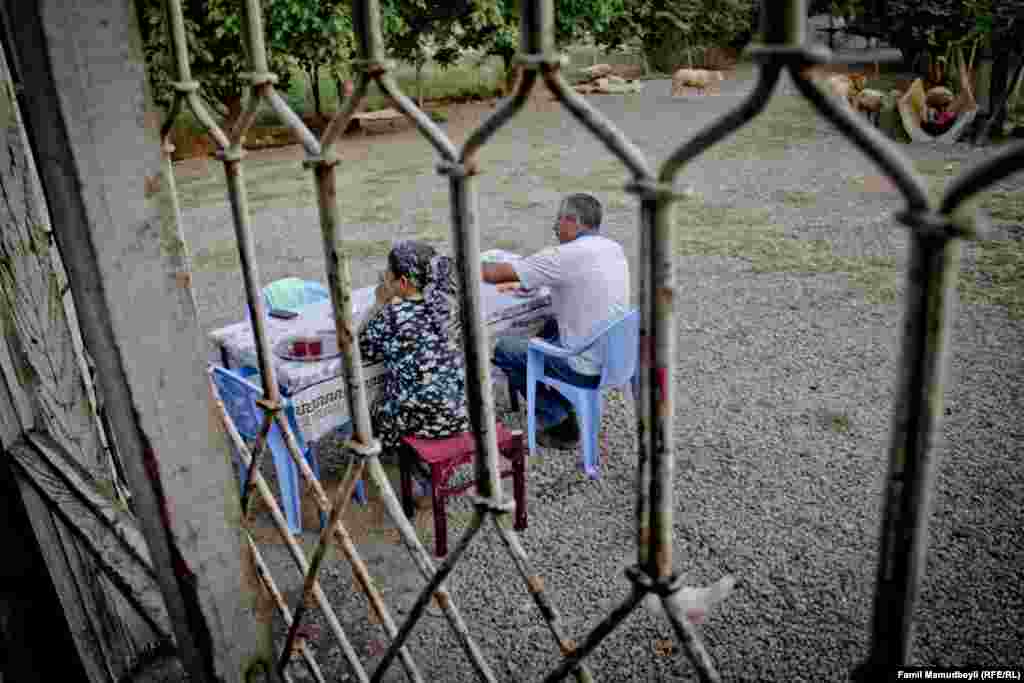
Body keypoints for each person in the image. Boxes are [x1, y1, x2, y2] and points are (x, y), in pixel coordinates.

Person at [483, 193, 630, 449]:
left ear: (573, 220)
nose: (554, 226)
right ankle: (562, 398)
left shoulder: (563, 256)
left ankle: (559, 422)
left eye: (558, 219)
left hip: (588, 364)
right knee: (546, 326)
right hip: (619, 355)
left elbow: (494, 275)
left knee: (505, 349)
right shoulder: (613, 248)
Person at [358, 241, 469, 455]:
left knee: (372, 407)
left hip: (423, 425)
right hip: (460, 414)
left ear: (403, 281)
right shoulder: (450, 308)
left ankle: (393, 458)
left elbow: (362, 347)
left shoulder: (393, 315)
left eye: (388, 273)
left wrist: (380, 302)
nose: (384, 277)